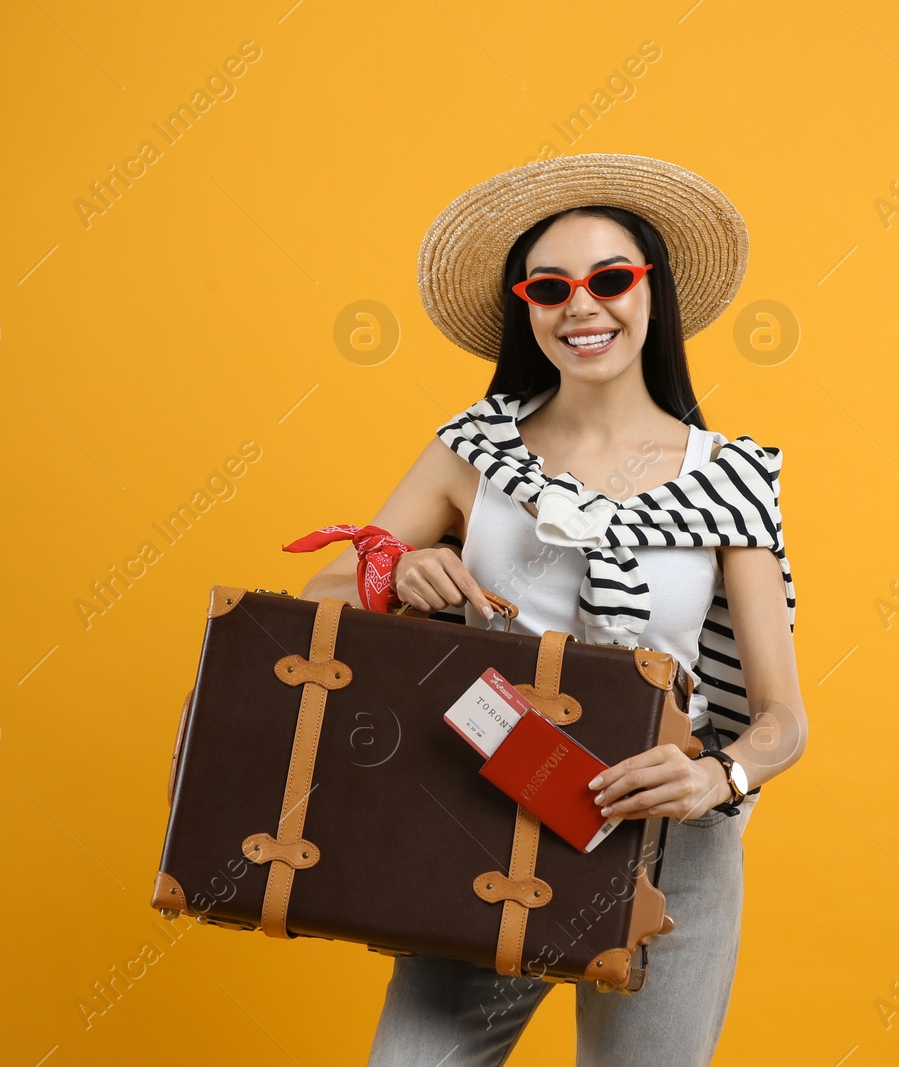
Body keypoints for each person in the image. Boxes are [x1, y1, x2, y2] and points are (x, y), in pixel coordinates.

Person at [299, 153, 807, 1066]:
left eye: (610, 279)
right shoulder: (474, 449)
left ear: (654, 294)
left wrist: (716, 779)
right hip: (489, 807)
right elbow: (321, 596)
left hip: (669, 839)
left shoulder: (729, 479)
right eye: (550, 286)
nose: (583, 306)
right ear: (524, 306)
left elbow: (783, 720)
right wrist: (402, 569)